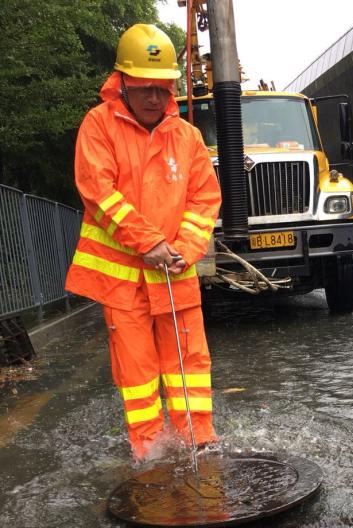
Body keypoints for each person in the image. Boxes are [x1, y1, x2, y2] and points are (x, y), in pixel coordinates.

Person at [65, 23, 222, 459]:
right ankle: (149, 452)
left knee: (189, 366)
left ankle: (200, 444)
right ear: (122, 83)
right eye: (143, 88)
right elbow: (98, 192)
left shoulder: (187, 137)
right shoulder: (99, 126)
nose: (154, 97)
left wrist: (184, 249)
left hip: (174, 273)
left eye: (162, 88)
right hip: (123, 281)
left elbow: (205, 199)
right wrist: (149, 242)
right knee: (137, 372)